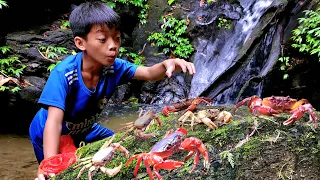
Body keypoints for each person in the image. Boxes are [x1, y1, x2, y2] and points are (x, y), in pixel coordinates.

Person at [30, 1, 196, 180]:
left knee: (122, 145)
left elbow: (148, 73)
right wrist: (50, 163)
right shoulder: (64, 74)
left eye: (117, 38)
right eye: (103, 39)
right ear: (80, 43)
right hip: (51, 130)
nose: (113, 45)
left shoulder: (114, 67)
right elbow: (53, 123)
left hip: (86, 128)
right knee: (57, 171)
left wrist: (166, 64)